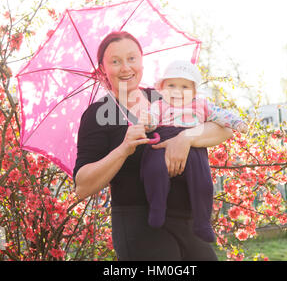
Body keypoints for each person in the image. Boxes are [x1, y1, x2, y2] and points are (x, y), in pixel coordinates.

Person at [73, 31, 233, 261]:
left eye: (131, 58)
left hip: (187, 219)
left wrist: (185, 138)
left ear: (141, 60)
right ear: (103, 69)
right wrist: (124, 149)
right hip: (139, 222)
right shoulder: (98, 114)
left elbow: (223, 128)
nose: (125, 68)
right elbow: (82, 186)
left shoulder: (166, 96)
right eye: (115, 61)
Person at [139, 60, 248, 243]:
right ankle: (157, 208)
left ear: (194, 91)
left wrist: (237, 122)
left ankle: (202, 221)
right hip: (163, 140)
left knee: (203, 181)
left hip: (193, 145)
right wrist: (147, 121)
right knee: (154, 170)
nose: (177, 91)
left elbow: (221, 115)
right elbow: (151, 122)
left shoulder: (201, 105)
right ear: (163, 88)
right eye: (171, 85)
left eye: (184, 87)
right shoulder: (158, 105)